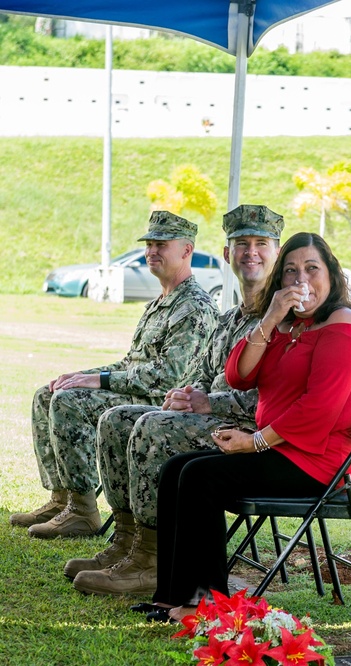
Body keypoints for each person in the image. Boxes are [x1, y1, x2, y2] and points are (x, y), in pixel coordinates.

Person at [149, 232, 351, 623]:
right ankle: (174, 597)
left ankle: (208, 605)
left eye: (311, 269)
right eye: (290, 271)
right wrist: (270, 318)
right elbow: (238, 374)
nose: (300, 280)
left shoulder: (344, 326)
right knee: (175, 470)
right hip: (282, 449)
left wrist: (252, 442)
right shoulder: (286, 326)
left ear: (332, 275)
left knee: (202, 477)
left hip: (320, 462)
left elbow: (317, 410)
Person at [69, 205, 285, 596]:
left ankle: (154, 563)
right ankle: (128, 545)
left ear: (276, 251)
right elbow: (201, 373)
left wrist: (208, 402)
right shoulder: (232, 315)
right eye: (241, 244)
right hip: (211, 418)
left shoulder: (280, 318)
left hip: (252, 433)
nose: (250, 252)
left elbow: (268, 398)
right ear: (227, 254)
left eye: (261, 244)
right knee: (117, 419)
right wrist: (186, 395)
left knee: (153, 427)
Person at [12, 211, 219, 539]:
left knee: (70, 402)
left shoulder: (194, 307)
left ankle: (83, 512)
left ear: (186, 250)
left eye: (162, 244)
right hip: (140, 391)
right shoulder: (160, 302)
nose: (152, 251)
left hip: (163, 402)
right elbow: (131, 362)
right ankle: (62, 498)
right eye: (149, 244)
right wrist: (80, 374)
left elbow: (167, 378)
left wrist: (98, 381)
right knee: (48, 393)